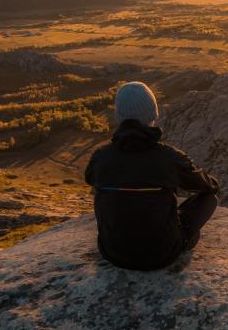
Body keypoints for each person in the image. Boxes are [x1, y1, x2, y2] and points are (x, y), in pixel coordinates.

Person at [84, 81, 220, 270]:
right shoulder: (169, 157)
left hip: (112, 253)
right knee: (210, 199)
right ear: (153, 114)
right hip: (164, 255)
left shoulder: (100, 157)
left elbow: (89, 178)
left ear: (118, 117)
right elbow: (208, 187)